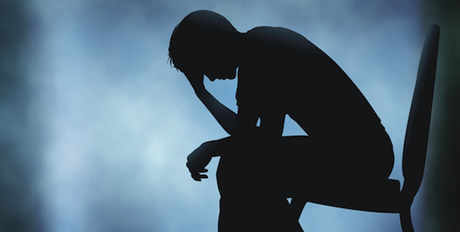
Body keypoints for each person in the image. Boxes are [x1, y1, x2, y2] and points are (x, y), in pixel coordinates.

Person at [168, 10, 395, 232]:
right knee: (237, 167)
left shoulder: (261, 56)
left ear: (211, 47)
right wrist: (201, 93)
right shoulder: (258, 47)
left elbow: (262, 142)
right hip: (358, 152)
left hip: (363, 157)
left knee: (237, 170)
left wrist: (211, 147)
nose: (209, 77)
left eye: (202, 66)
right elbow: (250, 137)